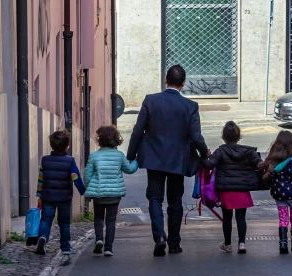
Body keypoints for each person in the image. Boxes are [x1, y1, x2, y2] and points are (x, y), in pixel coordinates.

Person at [127, 64, 208, 256]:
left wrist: (131, 156)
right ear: (183, 84)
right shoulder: (190, 106)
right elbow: (196, 137)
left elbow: (138, 130)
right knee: (175, 201)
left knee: (154, 197)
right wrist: (205, 154)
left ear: (166, 79)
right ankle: (174, 243)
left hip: (154, 158)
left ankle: (159, 236)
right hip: (178, 160)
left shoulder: (151, 101)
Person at [201, 121, 261, 254]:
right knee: (241, 217)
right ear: (239, 136)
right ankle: (242, 243)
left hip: (226, 189)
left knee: (227, 218)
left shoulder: (221, 151)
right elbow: (258, 164)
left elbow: (209, 165)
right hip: (242, 189)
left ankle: (228, 244)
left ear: (223, 137)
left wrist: (204, 157)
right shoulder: (248, 152)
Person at [84, 125, 138, 256]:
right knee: (111, 220)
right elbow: (129, 169)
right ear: (116, 139)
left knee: (98, 218)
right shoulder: (119, 155)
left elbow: (87, 175)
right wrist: (137, 161)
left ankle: (99, 239)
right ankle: (108, 248)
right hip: (114, 194)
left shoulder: (94, 156)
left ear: (99, 140)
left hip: (98, 193)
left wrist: (88, 188)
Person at [36, 130, 85, 255]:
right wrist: (84, 191)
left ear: (51, 145)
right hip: (64, 198)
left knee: (46, 220)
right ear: (67, 146)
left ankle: (42, 238)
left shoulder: (45, 160)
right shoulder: (70, 161)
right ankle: (65, 247)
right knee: (64, 223)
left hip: (48, 197)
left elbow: (41, 179)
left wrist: (39, 195)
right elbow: (75, 177)